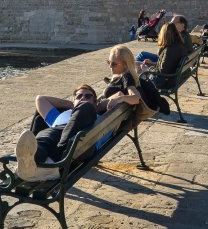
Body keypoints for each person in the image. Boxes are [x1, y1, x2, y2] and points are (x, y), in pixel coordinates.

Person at [14, 48, 141, 182]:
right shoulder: (64, 114)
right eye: (79, 96)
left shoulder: (93, 110)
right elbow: (40, 99)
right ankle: (31, 162)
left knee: (78, 112)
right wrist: (72, 105)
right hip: (57, 135)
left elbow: (125, 96)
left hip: (80, 146)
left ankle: (52, 162)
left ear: (95, 101)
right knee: (44, 135)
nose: (83, 98)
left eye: (88, 96)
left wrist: (103, 102)